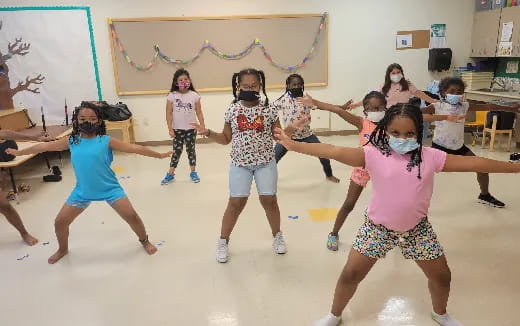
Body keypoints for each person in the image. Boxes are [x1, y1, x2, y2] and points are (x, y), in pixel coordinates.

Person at [274, 104, 519, 326]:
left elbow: (475, 164)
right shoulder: (371, 154)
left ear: (419, 133)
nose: (403, 138)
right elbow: (332, 149)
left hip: (417, 230)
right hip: (377, 228)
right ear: (384, 131)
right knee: (351, 274)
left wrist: (514, 168)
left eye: (410, 134)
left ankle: (440, 313)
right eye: (395, 133)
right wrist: (293, 145)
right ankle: (334, 315)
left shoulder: (430, 156)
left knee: (442, 276)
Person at [7, 103, 172, 264]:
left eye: (93, 118)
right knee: (60, 222)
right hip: (82, 191)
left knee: (132, 216)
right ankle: (62, 249)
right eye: (83, 118)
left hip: (110, 189)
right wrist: (20, 152)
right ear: (76, 121)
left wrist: (160, 156)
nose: (88, 121)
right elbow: (44, 147)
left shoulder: (106, 140)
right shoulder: (71, 141)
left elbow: (136, 149)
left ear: (99, 121)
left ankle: (144, 240)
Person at [161, 68, 205, 184]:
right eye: (181, 80)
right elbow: (168, 113)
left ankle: (193, 172)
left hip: (191, 129)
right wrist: (170, 129)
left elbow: (199, 112)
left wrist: (202, 126)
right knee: (177, 151)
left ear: (189, 81)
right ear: (176, 83)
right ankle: (170, 174)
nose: (184, 81)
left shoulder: (194, 95)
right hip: (177, 130)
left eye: (186, 79)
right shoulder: (172, 96)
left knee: (191, 150)